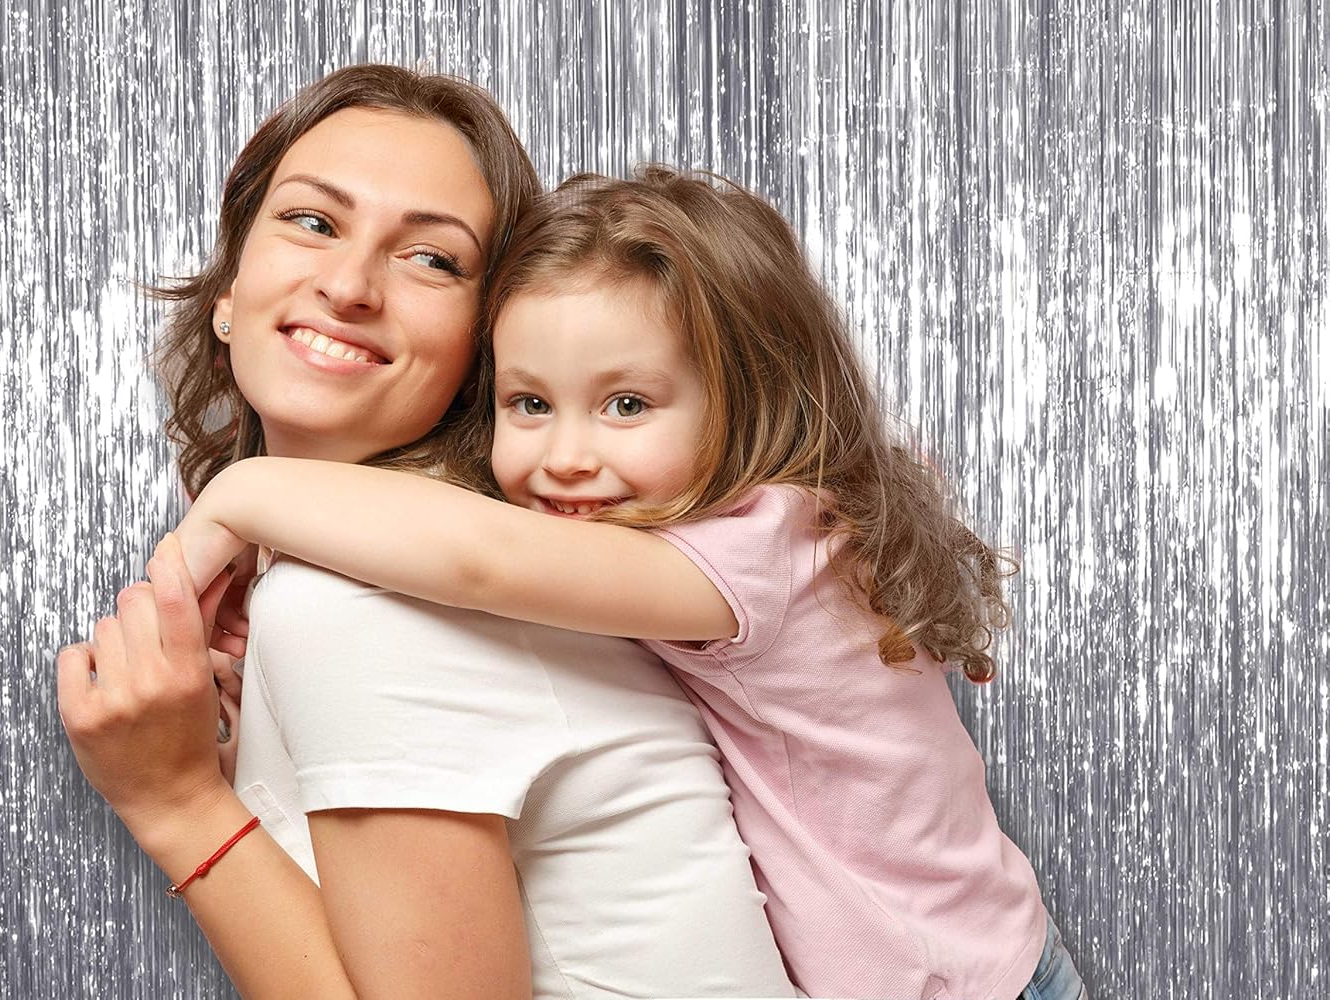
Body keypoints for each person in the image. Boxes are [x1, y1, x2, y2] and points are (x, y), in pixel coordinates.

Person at [171, 168, 1091, 1000]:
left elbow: (479, 561)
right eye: (530, 403)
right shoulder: (672, 539)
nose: (567, 458)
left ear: (747, 397)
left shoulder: (771, 546)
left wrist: (239, 496)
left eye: (627, 405)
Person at [57, 68, 796, 999]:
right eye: (312, 222)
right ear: (228, 291)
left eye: (433, 260)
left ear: (484, 347)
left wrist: (175, 804)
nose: (350, 284)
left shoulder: (362, 604)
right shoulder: (347, 577)